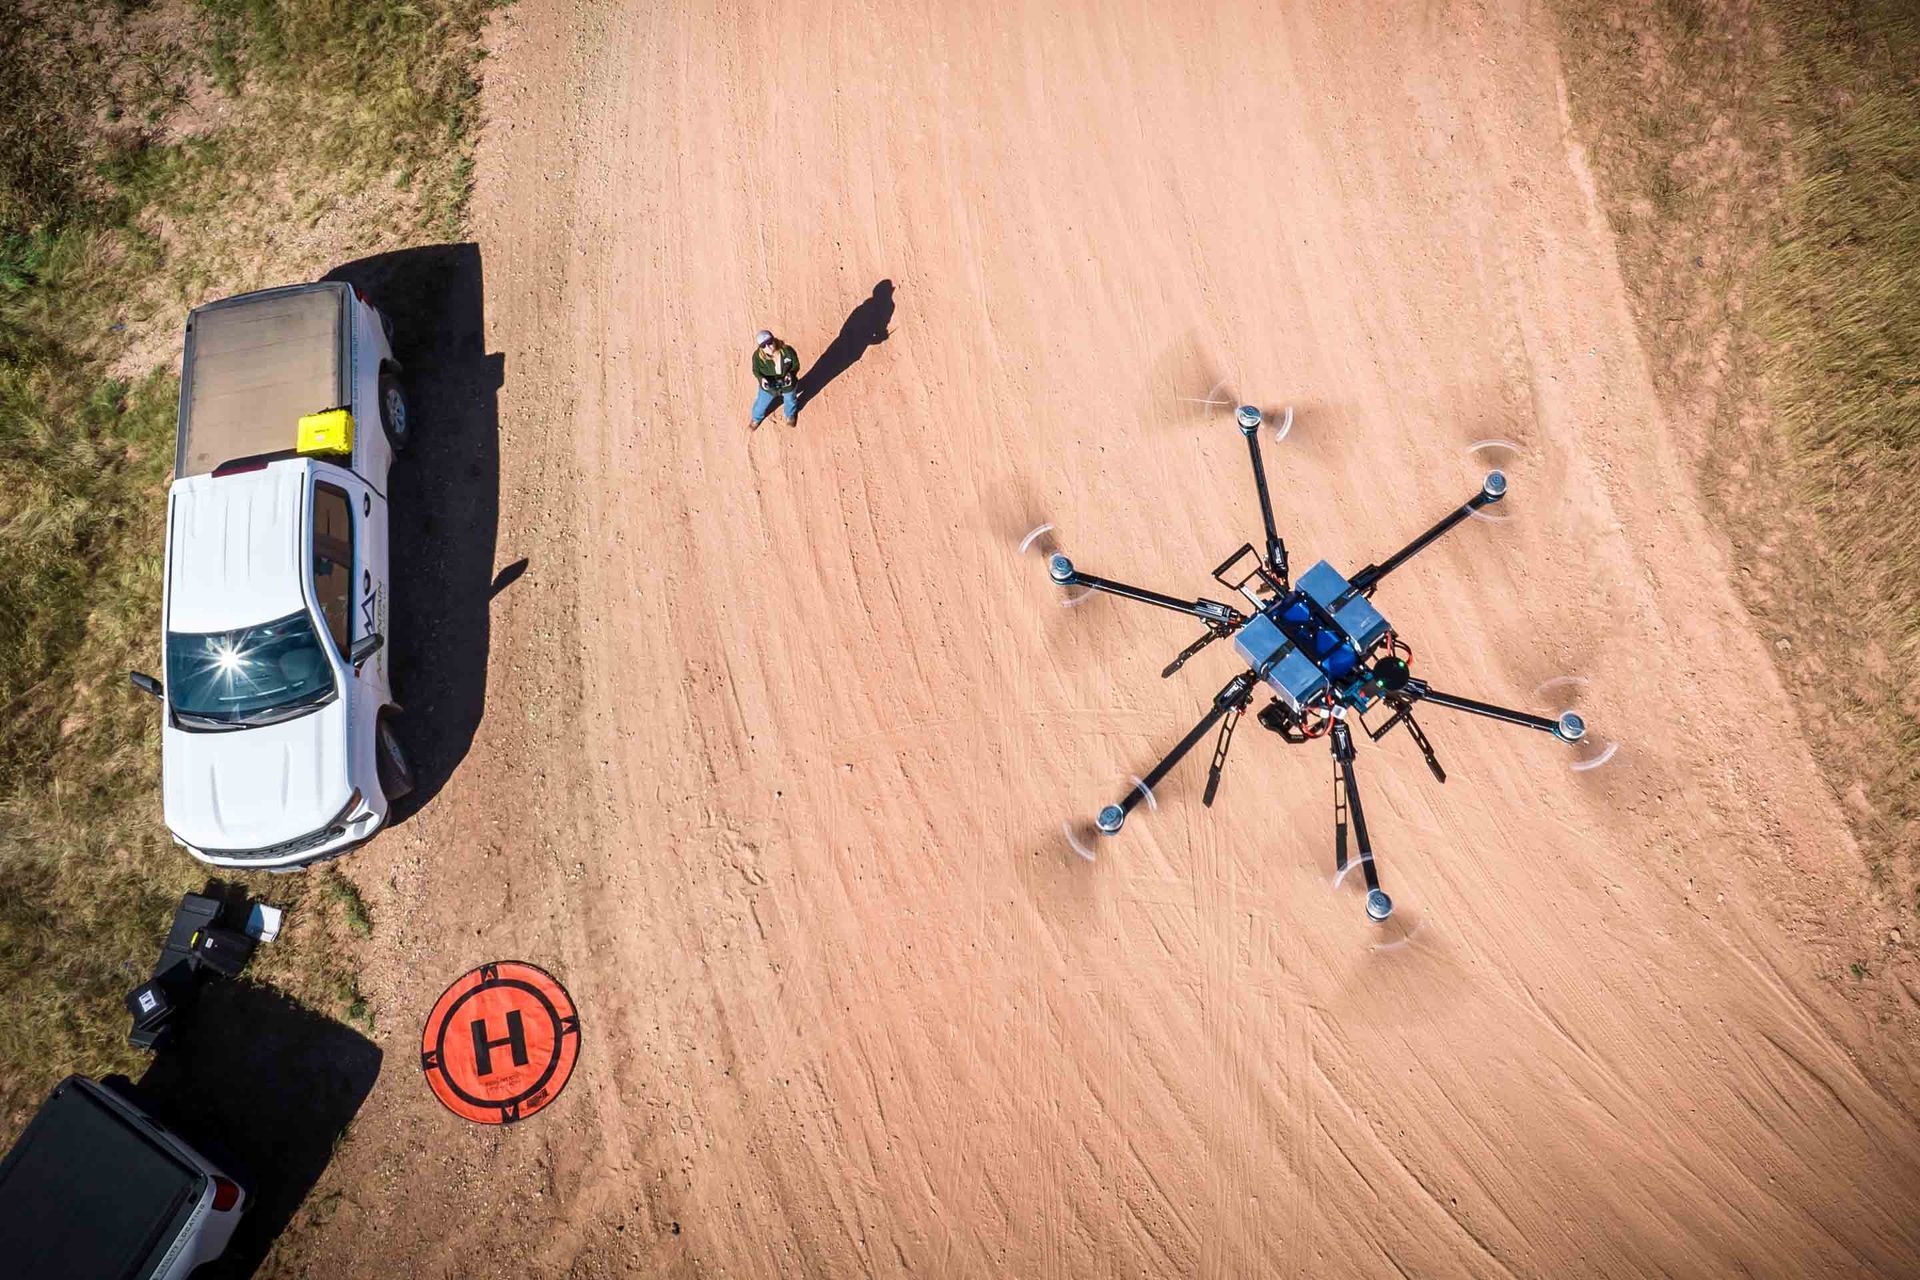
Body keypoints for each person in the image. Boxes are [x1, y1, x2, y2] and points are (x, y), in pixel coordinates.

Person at [749, 330, 801, 428]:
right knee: (760, 405)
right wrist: (761, 379)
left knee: (790, 400)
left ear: (774, 340)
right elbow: (756, 371)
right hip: (769, 387)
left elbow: (796, 365)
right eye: (763, 346)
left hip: (787, 384)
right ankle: (756, 418)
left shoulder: (787, 351)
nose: (768, 347)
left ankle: (789, 415)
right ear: (760, 347)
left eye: (769, 343)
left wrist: (790, 374)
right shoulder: (757, 357)